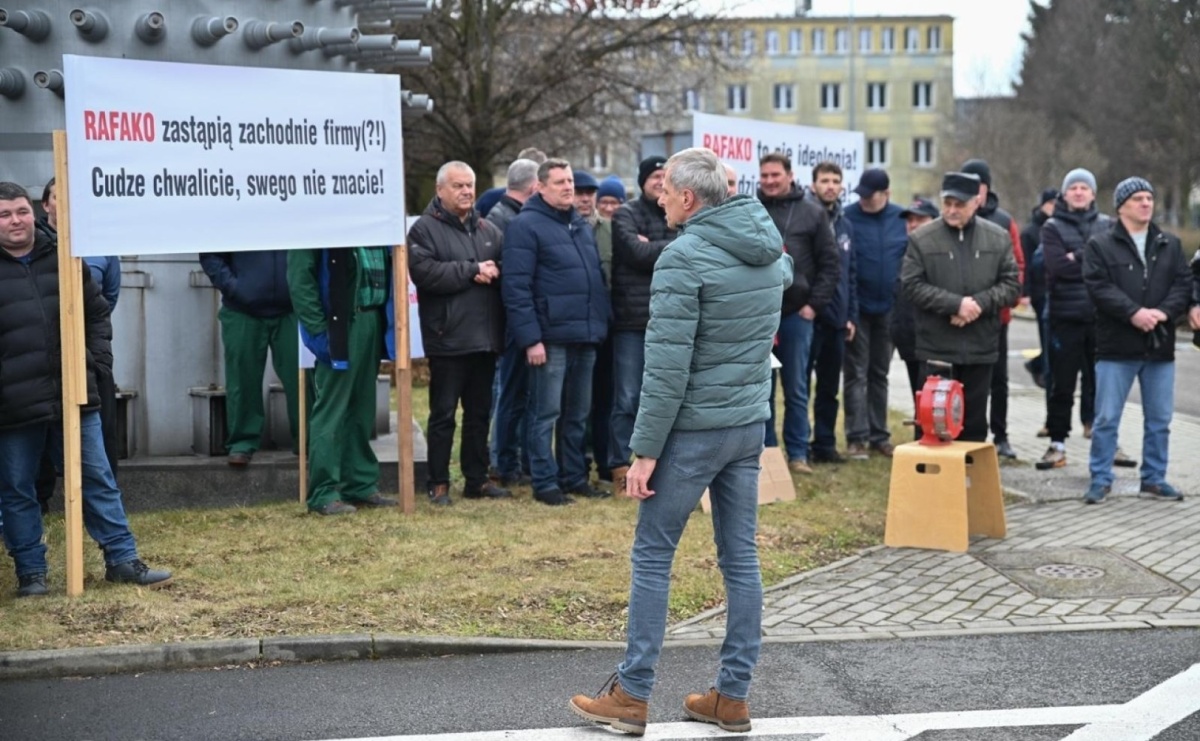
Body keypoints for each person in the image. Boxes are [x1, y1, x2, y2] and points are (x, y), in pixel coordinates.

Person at [569, 147, 791, 737]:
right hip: (748, 425)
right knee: (740, 560)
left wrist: (644, 454)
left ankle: (632, 693)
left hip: (694, 430)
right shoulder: (767, 250)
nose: (658, 198)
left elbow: (665, 370)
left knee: (652, 554)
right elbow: (781, 283)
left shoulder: (682, 258)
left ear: (689, 198)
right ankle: (731, 696)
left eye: (665, 190)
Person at [0, 182, 171, 597]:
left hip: (72, 393)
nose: (15, 221)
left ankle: (122, 559)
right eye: (4, 215)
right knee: (17, 487)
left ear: (33, 212)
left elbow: (97, 315)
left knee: (97, 477)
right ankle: (31, 574)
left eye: (20, 211)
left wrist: (96, 366)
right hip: (13, 403)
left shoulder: (64, 255)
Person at [503, 158, 610, 505]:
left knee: (577, 414)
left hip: (585, 334)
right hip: (549, 338)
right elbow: (516, 288)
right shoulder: (526, 226)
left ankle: (574, 476)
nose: (568, 187)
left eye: (570, 181)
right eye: (560, 182)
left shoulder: (578, 225)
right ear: (540, 187)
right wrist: (531, 339)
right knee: (545, 413)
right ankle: (545, 482)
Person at [1081, 177, 1191, 504]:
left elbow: (1183, 285)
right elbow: (1098, 287)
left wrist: (1160, 313)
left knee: (1159, 420)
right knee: (1106, 419)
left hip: (1159, 347)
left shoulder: (1169, 244)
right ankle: (1101, 479)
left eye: (1149, 197)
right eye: (1138, 198)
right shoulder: (1100, 245)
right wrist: (1133, 313)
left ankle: (1154, 479)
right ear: (1121, 206)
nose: (1146, 203)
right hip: (1116, 347)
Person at [408, 161, 510, 506]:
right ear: (440, 190)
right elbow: (425, 273)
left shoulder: (488, 230)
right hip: (448, 338)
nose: (467, 191)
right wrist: (472, 270)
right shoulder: (423, 230)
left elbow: (504, 269)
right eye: (458, 186)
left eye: (470, 185)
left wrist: (491, 270)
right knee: (443, 415)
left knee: (480, 414)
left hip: (484, 338)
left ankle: (476, 480)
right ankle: (438, 483)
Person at [900, 173, 1020, 443]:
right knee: (933, 424)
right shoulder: (922, 238)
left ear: (976, 202)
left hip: (980, 348)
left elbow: (1012, 285)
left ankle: (969, 482)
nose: (952, 210)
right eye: (948, 203)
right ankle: (932, 484)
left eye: (959, 204)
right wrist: (955, 304)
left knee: (974, 427)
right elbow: (911, 285)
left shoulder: (998, 238)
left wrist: (977, 304)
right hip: (937, 348)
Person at [288, 239, 399, 515]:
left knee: (362, 408)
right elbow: (301, 281)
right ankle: (323, 492)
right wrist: (319, 333)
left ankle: (359, 484)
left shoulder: (372, 218)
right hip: (340, 327)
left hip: (371, 320)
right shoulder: (315, 220)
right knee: (331, 409)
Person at [757, 152, 839, 474]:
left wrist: (813, 305)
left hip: (796, 316)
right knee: (761, 388)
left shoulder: (813, 213)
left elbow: (831, 264)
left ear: (789, 176)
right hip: (759, 315)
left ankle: (797, 452)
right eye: (764, 176)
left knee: (796, 387)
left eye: (775, 175)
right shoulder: (751, 210)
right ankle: (766, 451)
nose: (769, 181)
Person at [608, 156, 676, 494]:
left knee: (665, 396)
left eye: (665, 176)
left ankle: (658, 466)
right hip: (632, 322)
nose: (659, 181)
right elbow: (635, 252)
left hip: (669, 324)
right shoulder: (626, 213)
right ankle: (620, 466)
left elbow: (685, 252)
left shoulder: (677, 212)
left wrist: (658, 248)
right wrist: (670, 248)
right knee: (627, 397)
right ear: (642, 180)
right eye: (654, 176)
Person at [1035, 169, 1110, 471]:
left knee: (1104, 383)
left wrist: (1075, 256)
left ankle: (1107, 441)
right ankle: (1057, 444)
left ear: (1093, 193)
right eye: (1073, 187)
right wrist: (1090, 257)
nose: (1079, 192)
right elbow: (1056, 268)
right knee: (1061, 384)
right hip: (1064, 317)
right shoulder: (1052, 227)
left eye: (1084, 187)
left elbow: (1110, 267)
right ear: (1064, 194)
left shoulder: (1108, 224)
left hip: (1101, 317)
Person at [199, 247, 300, 467]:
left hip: (294, 308)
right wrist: (235, 288)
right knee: (242, 379)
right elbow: (210, 253)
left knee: (302, 377)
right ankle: (242, 443)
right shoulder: (234, 213)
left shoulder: (295, 212)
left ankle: (308, 441)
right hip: (240, 310)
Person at [959, 159, 1026, 460]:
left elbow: (1018, 267)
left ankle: (1000, 436)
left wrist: (999, 301)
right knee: (963, 378)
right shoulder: (953, 217)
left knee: (998, 380)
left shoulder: (1003, 221)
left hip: (996, 317)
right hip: (958, 317)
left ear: (986, 189)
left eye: (980, 185)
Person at [843, 168, 907, 459]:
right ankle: (856, 437)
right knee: (856, 373)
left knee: (879, 373)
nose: (865, 200)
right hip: (859, 309)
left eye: (871, 196)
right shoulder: (848, 217)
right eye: (863, 195)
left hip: (889, 311)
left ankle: (879, 435)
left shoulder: (900, 219)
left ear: (887, 194)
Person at [487, 158, 541, 487]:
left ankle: (513, 460)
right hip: (510, 320)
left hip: (516, 317)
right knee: (510, 393)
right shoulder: (503, 219)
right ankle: (504, 462)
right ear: (534, 188)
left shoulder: (504, 215)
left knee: (518, 394)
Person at [805, 161, 857, 464]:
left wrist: (851, 314)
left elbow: (851, 273)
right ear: (814, 184)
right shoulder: (806, 216)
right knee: (799, 388)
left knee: (828, 388)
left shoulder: (845, 223)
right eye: (825, 180)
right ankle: (800, 445)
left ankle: (824, 444)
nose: (830, 185)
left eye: (835, 180)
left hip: (837, 318)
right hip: (808, 316)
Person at [575, 171, 615, 484]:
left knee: (604, 399)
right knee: (573, 404)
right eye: (579, 192)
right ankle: (575, 464)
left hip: (607, 327)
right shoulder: (562, 228)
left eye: (590, 192)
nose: (585, 198)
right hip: (572, 329)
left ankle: (604, 462)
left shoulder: (609, 229)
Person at [889, 197, 939, 439]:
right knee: (918, 396)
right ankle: (920, 441)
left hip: (935, 340)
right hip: (909, 338)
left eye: (920, 219)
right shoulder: (903, 251)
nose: (913, 224)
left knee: (933, 398)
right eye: (910, 219)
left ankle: (930, 440)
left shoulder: (940, 252)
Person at [1021, 187, 1058, 391]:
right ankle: (1043, 370)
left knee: (1055, 339)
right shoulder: (1031, 231)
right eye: (1050, 203)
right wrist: (1024, 292)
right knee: (1047, 337)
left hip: (1056, 290)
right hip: (1038, 291)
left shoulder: (1060, 226)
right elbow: (1025, 262)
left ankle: (1038, 364)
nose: (1054, 207)